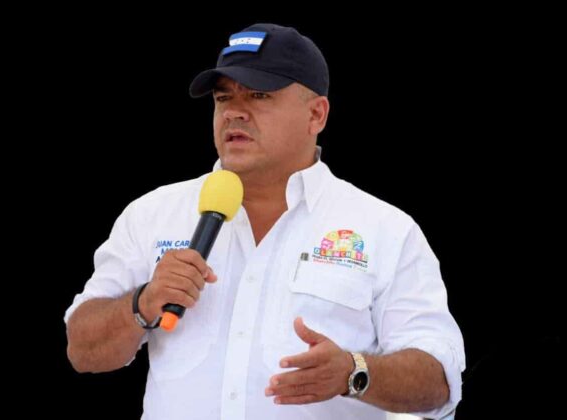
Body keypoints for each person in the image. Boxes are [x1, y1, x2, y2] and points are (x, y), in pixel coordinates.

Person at [65, 23, 465, 420]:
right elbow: (81, 351)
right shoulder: (153, 214)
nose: (234, 111)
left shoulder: (385, 229)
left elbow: (440, 382)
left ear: (316, 114)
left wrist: (354, 373)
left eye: (259, 95)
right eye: (223, 97)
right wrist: (142, 302)